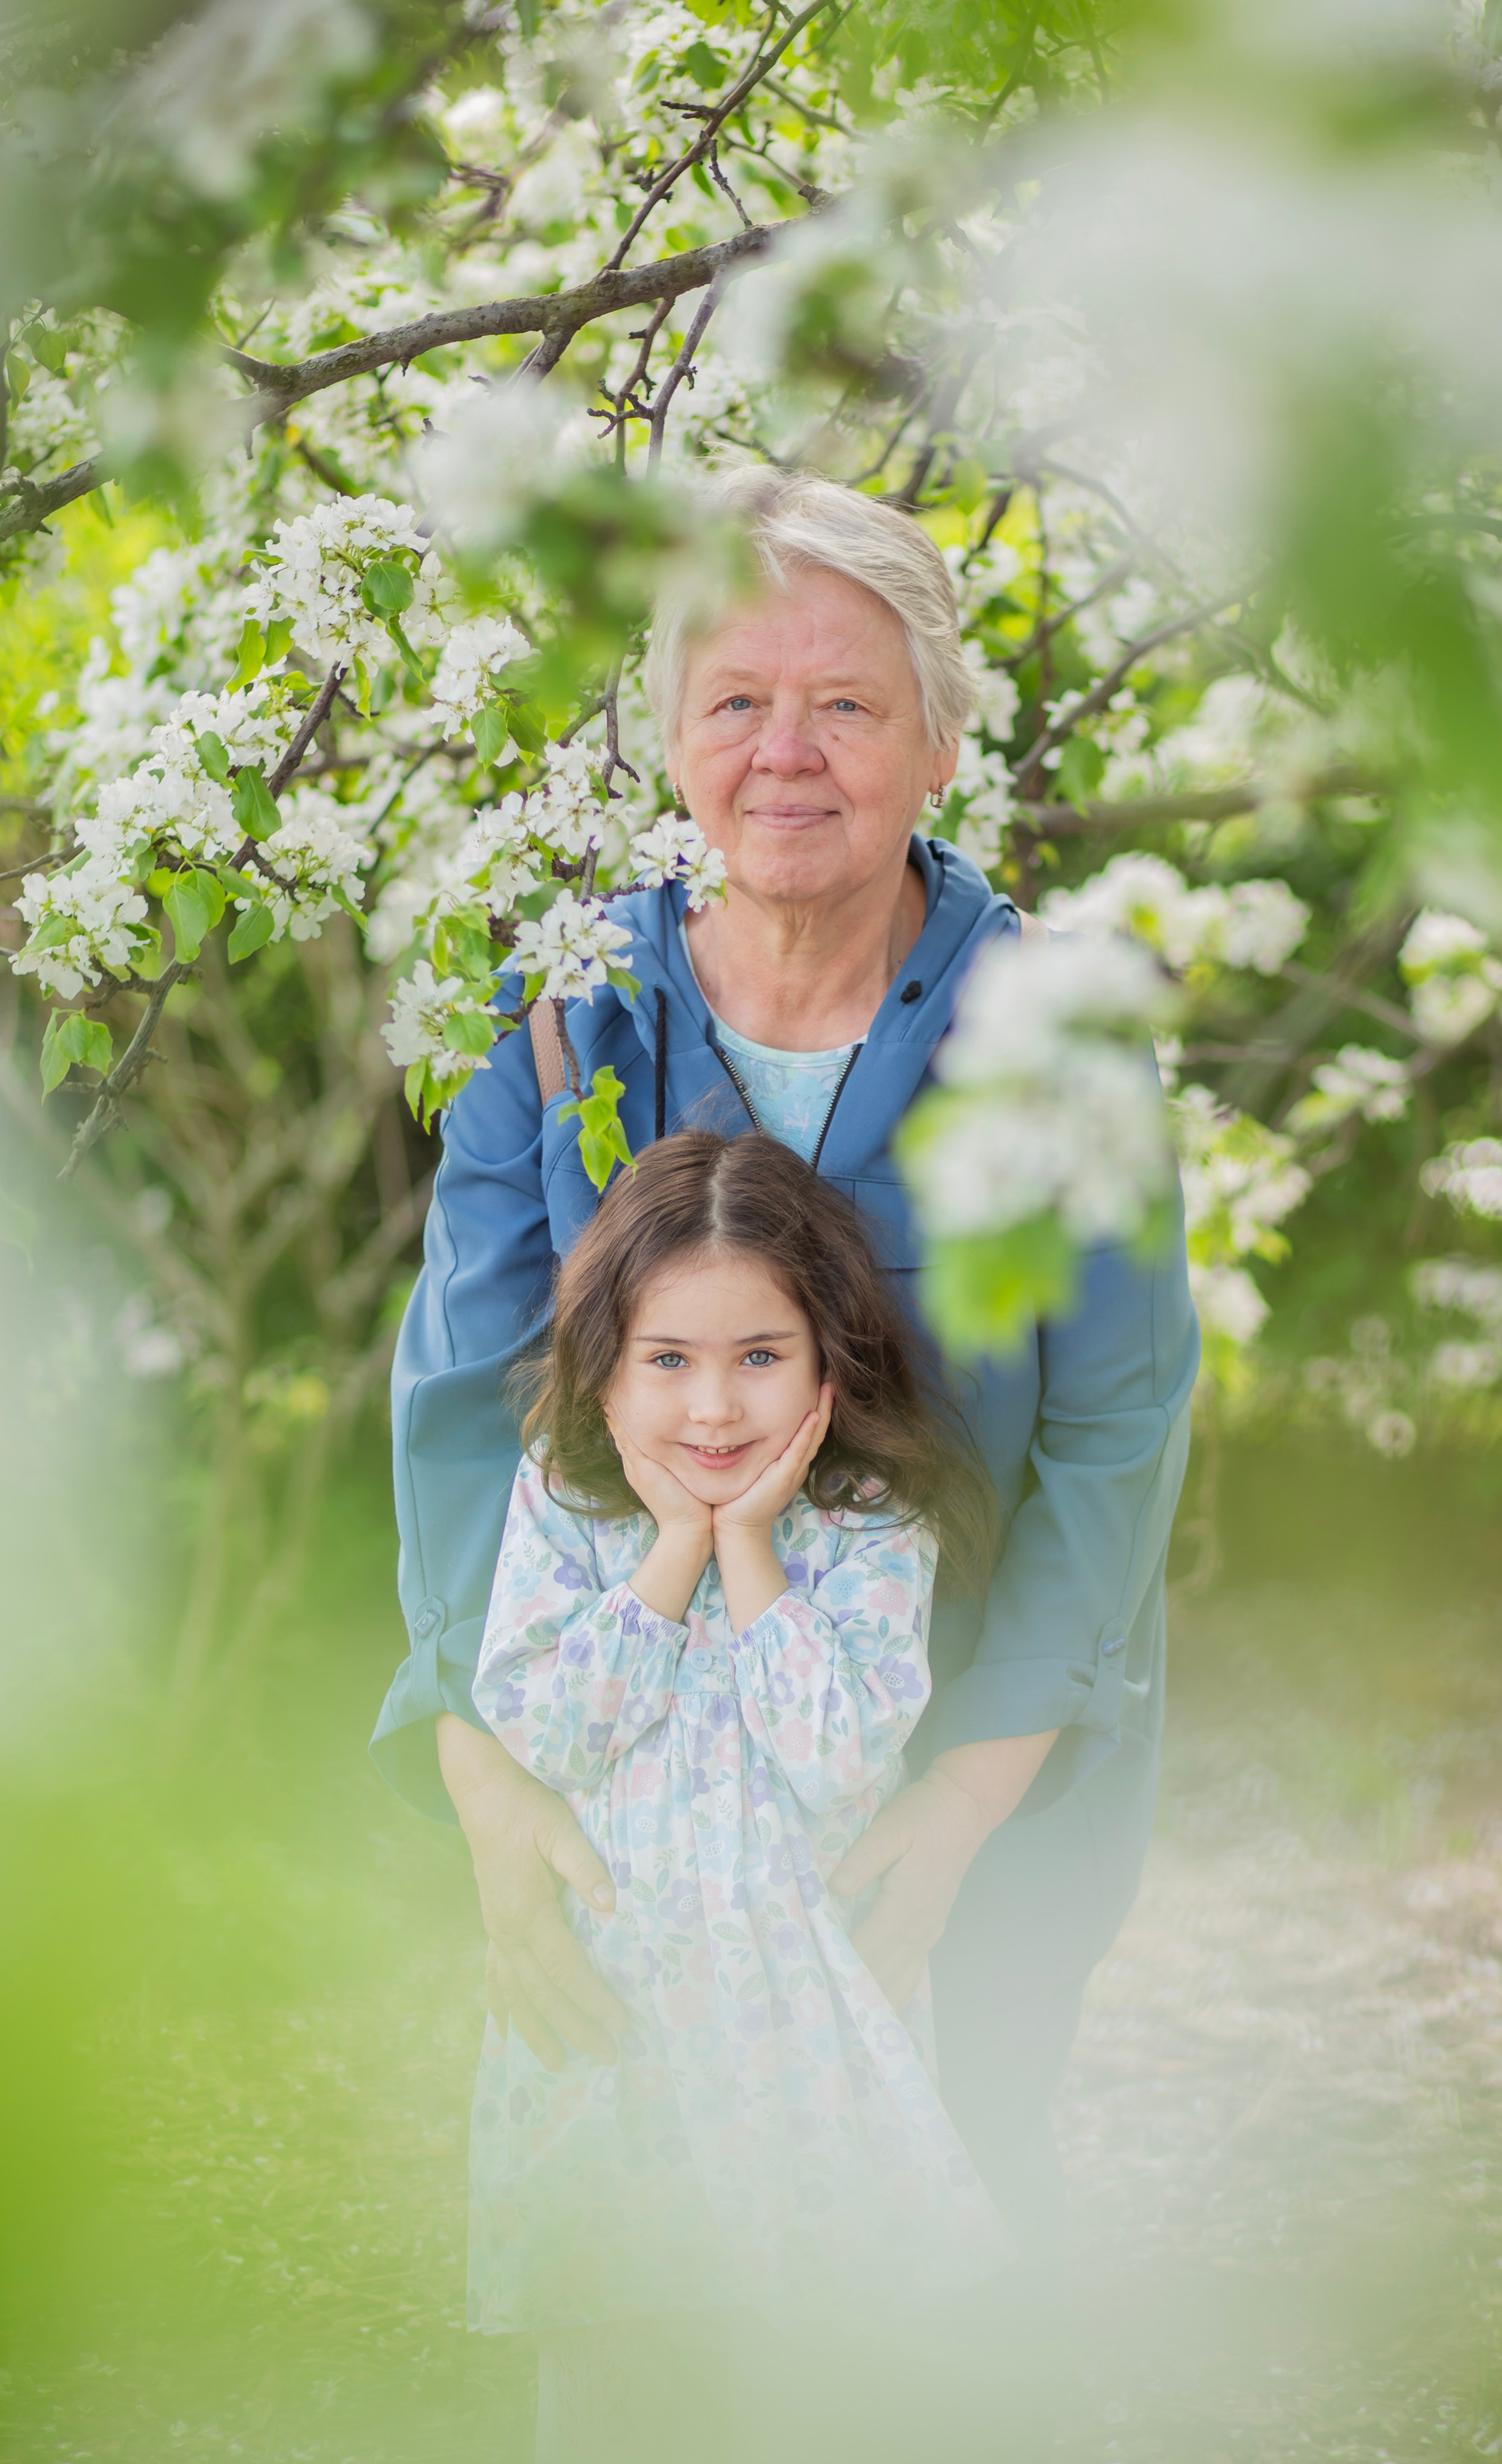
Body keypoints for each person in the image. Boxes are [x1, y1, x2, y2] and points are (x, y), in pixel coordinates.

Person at [371, 465, 1199, 2439]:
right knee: (632, 2283)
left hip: (971, 1769)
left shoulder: (1054, 1035)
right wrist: (490, 1787)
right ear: (671, 735)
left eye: (845, 703)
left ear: (939, 738)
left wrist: (964, 1802)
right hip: (631, 1802)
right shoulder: (560, 1019)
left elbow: (1116, 1431)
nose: (786, 753)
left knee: (931, 2271)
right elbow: (459, 1411)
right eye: (735, 699)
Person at [470, 1129, 1014, 2452]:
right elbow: (548, 1731)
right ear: (605, 1364)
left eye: (758, 1357)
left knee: (813, 2380)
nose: (713, 1409)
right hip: (620, 2025)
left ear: (828, 1356)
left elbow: (838, 1750)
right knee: (615, 2373)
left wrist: (752, 1548)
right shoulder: (566, 1504)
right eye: (668, 1360)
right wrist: (671, 1551)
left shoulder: (870, 1520)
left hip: (800, 2044)